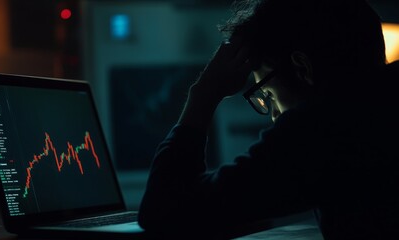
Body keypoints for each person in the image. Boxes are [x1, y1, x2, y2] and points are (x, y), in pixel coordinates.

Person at [137, 0, 399, 239]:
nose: (274, 116)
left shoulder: (322, 132)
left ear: (302, 68)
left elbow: (164, 212)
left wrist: (203, 95)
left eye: (269, 95)